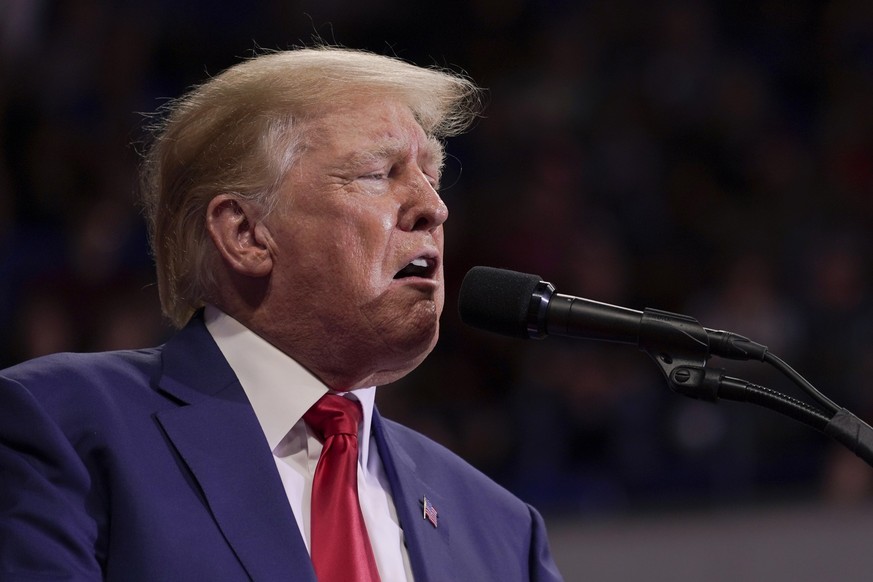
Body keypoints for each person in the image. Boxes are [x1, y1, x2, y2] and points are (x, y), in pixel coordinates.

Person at [0, 46, 563, 581]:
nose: (433, 207)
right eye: (377, 174)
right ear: (245, 234)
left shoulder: (503, 531)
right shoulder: (61, 427)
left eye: (431, 176)